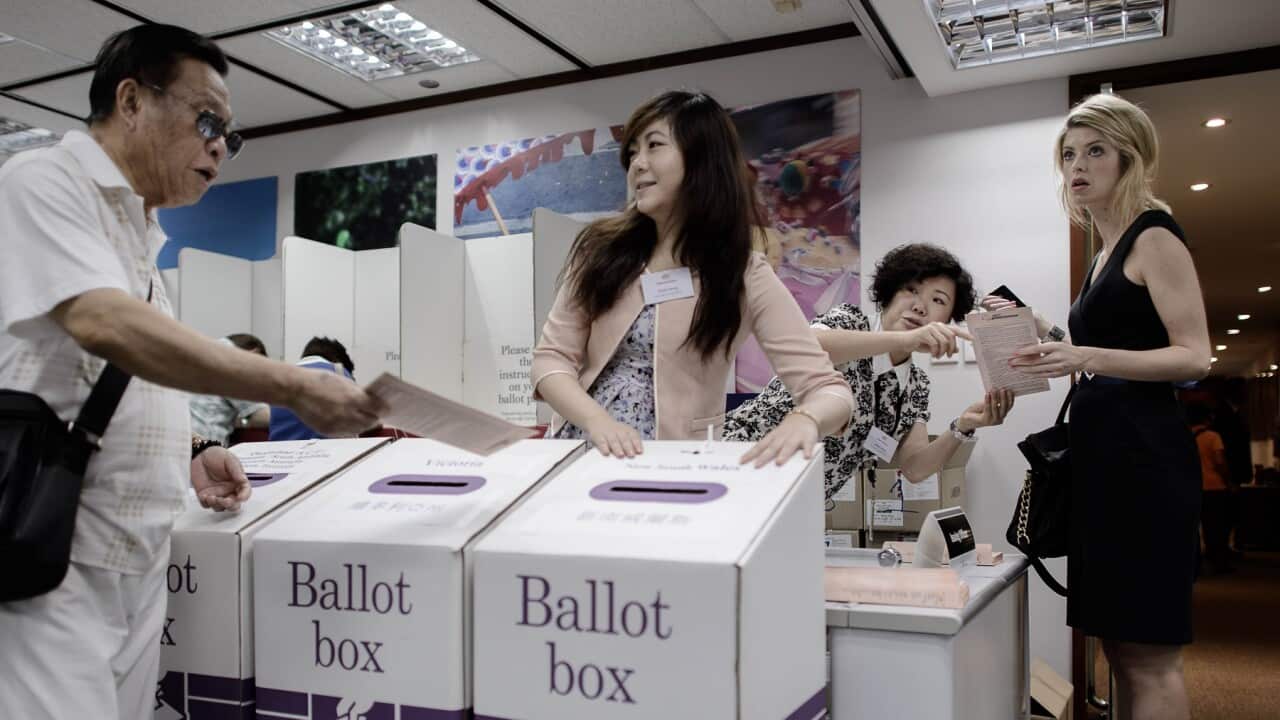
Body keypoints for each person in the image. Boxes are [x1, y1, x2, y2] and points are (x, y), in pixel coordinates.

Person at [0, 25, 384, 720]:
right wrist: (294, 383)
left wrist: (195, 454)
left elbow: (112, 383)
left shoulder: (144, 240)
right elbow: (103, 324)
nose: (218, 147)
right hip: (51, 555)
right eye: (208, 120)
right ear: (131, 100)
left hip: (137, 554)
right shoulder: (41, 181)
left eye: (228, 136)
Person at [998, 93, 1210, 720]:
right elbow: (1109, 350)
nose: (1077, 167)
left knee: (1150, 657)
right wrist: (1042, 332)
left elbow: (1194, 357)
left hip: (1146, 465)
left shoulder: (1154, 236)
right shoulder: (1102, 253)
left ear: (1130, 158)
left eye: (1095, 152)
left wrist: (1084, 355)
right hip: (1107, 467)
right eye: (1068, 155)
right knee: (1119, 650)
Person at [532, 90, 853, 466]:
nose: (637, 163)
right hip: (577, 458)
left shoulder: (744, 273)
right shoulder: (599, 252)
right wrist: (596, 421)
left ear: (702, 159)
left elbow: (829, 389)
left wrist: (806, 419)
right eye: (633, 151)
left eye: (654, 146)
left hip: (673, 469)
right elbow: (549, 361)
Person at [724, 243, 1015, 498]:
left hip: (795, 502)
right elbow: (806, 345)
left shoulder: (914, 385)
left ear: (948, 318)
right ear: (889, 292)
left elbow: (914, 467)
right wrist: (907, 339)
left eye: (938, 300)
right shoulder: (849, 321)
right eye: (911, 290)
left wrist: (963, 425)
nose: (920, 306)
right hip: (735, 466)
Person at [268, 336, 356, 441]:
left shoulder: (281, 378)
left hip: (278, 452)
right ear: (338, 361)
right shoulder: (339, 372)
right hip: (327, 453)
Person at [189, 333, 271, 444]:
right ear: (254, 353)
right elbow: (263, 415)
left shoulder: (200, 360)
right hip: (204, 449)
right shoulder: (233, 364)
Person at [1188, 402, 1234, 574]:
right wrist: (1228, 481)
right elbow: (1220, 461)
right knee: (1216, 527)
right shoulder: (1213, 437)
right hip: (1215, 486)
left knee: (1195, 529)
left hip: (1195, 487)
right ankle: (1218, 561)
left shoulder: (1185, 436)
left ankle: (1196, 562)